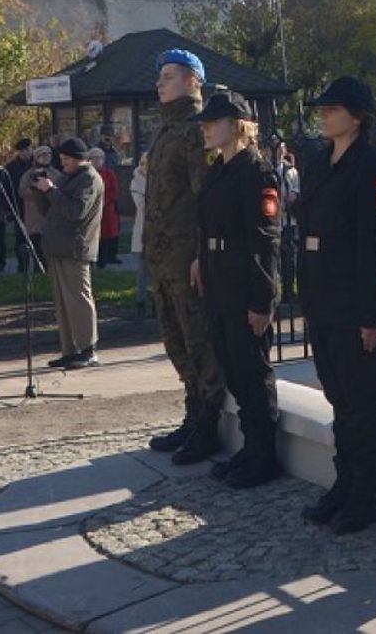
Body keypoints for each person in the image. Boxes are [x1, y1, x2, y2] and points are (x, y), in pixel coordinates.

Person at [293, 75, 376, 531]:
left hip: (353, 300)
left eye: (333, 109)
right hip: (321, 295)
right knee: (337, 397)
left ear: (357, 116)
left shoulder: (371, 163)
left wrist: (372, 313)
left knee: (361, 401)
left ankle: (363, 494)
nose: (324, 116)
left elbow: (372, 242)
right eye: (323, 109)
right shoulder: (319, 160)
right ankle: (344, 482)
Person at [190, 90, 283, 489]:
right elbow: (207, 226)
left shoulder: (255, 172)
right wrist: (200, 259)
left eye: (213, 122)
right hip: (219, 283)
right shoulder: (218, 170)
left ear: (237, 125)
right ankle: (249, 447)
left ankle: (263, 454)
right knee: (232, 369)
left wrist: (262, 300)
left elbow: (265, 240)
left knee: (252, 373)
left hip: (244, 286)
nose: (206, 128)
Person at [144, 48, 226, 465]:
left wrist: (200, 254)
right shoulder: (165, 129)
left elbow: (206, 197)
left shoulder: (197, 129)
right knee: (175, 339)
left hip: (185, 257)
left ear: (193, 80)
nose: (160, 84)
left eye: (169, 77)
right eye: (160, 77)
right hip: (162, 257)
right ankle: (193, 414)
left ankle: (208, 422)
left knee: (198, 340)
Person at [35, 137, 105, 369]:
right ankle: (70, 349)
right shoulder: (68, 177)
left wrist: (52, 190)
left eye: (66, 159)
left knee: (78, 300)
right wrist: (41, 191)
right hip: (58, 247)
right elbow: (51, 209)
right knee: (63, 303)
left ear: (78, 159)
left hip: (75, 248)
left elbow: (76, 211)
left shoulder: (89, 179)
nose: (62, 163)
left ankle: (88, 349)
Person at [19, 146, 61, 274]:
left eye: (48, 155)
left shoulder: (56, 173)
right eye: (43, 155)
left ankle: (52, 269)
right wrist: (35, 189)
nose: (46, 157)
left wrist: (51, 189)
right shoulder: (28, 174)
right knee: (37, 245)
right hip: (34, 215)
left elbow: (62, 190)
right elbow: (22, 191)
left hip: (52, 215)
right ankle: (39, 269)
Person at [5, 138, 36, 273]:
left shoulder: (37, 164)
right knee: (21, 237)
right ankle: (22, 265)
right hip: (19, 206)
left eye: (28, 149)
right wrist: (8, 208)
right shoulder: (11, 168)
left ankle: (38, 264)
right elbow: (7, 189)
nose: (26, 153)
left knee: (37, 236)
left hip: (36, 207)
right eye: (22, 150)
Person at [89, 148, 122, 267]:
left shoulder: (109, 174)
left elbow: (114, 190)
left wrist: (104, 202)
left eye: (100, 158)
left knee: (108, 233)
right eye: (94, 158)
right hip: (91, 208)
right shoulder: (87, 174)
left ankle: (109, 257)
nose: (97, 160)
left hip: (107, 208)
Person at [131, 153, 150, 318]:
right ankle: (140, 301)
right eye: (143, 163)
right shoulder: (136, 181)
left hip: (160, 230)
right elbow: (141, 204)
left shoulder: (159, 179)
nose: (145, 167)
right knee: (142, 269)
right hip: (144, 230)